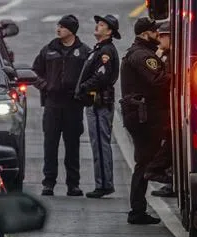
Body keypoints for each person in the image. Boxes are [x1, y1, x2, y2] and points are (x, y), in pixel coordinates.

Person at [119, 17, 172, 225]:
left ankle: (138, 208)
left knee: (143, 160)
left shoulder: (141, 53)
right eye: (154, 31)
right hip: (144, 116)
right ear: (144, 34)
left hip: (142, 115)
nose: (157, 35)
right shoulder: (142, 55)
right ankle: (138, 207)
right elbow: (157, 80)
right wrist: (176, 74)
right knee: (145, 162)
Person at [32, 14, 91, 196]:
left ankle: (73, 184)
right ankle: (48, 183)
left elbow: (90, 76)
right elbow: (35, 73)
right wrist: (46, 86)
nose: (58, 29)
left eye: (63, 27)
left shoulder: (83, 52)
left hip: (73, 106)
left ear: (71, 31)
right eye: (58, 26)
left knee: (72, 146)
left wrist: (82, 91)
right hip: (52, 105)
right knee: (50, 145)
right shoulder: (48, 50)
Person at [75, 14, 121, 198]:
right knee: (97, 144)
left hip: (99, 102)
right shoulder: (99, 49)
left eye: (101, 25)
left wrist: (84, 88)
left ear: (109, 31)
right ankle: (102, 182)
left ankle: (104, 184)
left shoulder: (106, 52)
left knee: (101, 145)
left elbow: (101, 76)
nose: (97, 26)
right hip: (94, 102)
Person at [149, 20, 177, 198]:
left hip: (170, 109)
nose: (159, 39)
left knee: (170, 148)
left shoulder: (172, 57)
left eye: (163, 36)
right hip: (165, 109)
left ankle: (171, 181)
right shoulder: (165, 55)